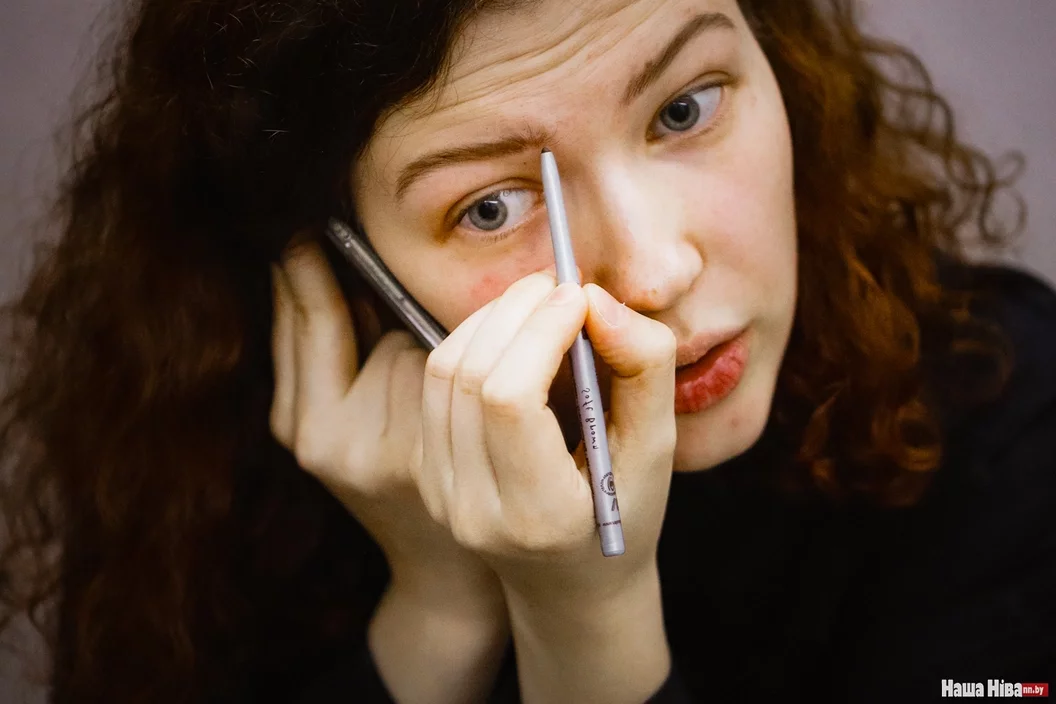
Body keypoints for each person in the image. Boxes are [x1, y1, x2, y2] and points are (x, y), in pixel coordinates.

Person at [1, 0, 1053, 701]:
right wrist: (438, 607)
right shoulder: (207, 500)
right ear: (346, 271)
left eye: (685, 108)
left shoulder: (1008, 408)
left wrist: (587, 618)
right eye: (494, 206)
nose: (654, 273)